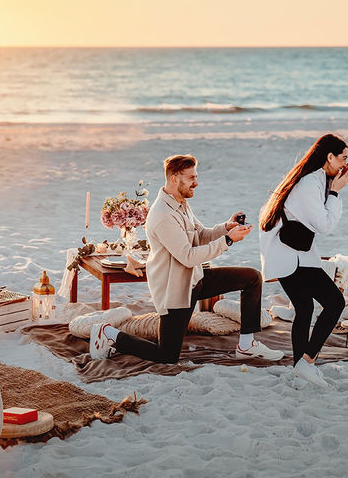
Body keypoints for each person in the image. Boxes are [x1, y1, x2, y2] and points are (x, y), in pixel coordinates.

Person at [90, 154, 285, 363]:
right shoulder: (163, 214)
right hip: (175, 290)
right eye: (191, 178)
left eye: (196, 176)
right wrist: (227, 241)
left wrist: (226, 227)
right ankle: (108, 333)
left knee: (252, 278)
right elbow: (188, 257)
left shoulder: (180, 202)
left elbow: (200, 235)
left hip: (196, 278)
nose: (196, 182)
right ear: (175, 178)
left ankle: (246, 345)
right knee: (167, 356)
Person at [258, 134, 348, 386]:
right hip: (291, 256)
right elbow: (324, 225)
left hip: (289, 253)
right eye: (343, 157)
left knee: (305, 309)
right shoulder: (312, 182)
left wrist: (333, 186)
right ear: (329, 156)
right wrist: (335, 192)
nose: (346, 163)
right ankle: (307, 362)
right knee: (335, 303)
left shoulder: (317, 179)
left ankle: (301, 368)